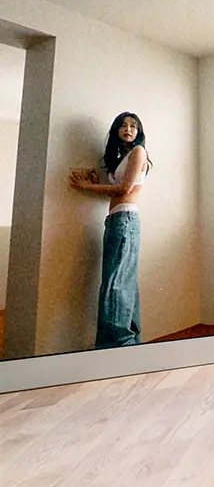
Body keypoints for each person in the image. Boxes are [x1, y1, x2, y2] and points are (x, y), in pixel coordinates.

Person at [68, 112, 150, 348]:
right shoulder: (124, 158)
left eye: (133, 126)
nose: (128, 129)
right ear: (116, 131)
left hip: (125, 220)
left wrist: (88, 186)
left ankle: (115, 349)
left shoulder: (139, 151)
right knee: (123, 284)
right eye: (123, 125)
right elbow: (117, 187)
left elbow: (124, 189)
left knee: (116, 285)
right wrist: (97, 182)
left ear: (139, 132)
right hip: (116, 221)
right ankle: (129, 347)